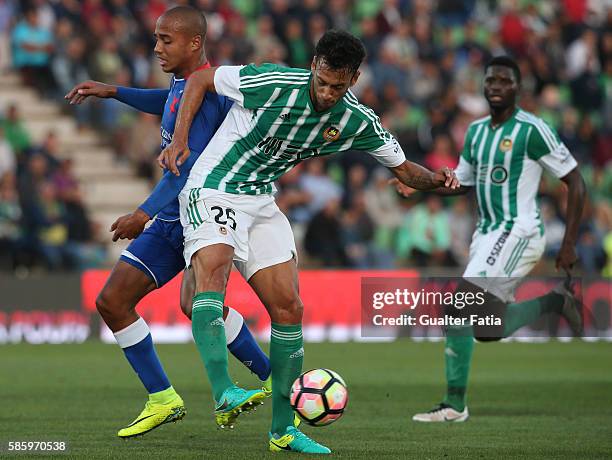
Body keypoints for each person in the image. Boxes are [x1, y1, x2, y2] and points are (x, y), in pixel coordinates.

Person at [159, 29, 459, 454]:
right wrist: (183, 140)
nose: (327, 93)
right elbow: (201, 81)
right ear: (313, 66)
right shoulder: (274, 81)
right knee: (215, 271)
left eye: (338, 86)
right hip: (213, 186)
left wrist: (445, 181)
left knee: (290, 307)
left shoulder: (356, 119)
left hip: (260, 200)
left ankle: (282, 430)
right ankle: (224, 391)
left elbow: (407, 171)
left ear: (353, 79)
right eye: (322, 81)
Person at [64, 6, 268, 439]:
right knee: (165, 305)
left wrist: (144, 213)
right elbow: (166, 100)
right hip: (177, 217)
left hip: (190, 217)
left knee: (126, 302)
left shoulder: (209, 92)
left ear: (195, 42)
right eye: (156, 38)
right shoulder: (182, 84)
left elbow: (188, 167)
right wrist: (114, 91)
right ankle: (263, 378)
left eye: (166, 40)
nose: (156, 47)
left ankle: (183, 394)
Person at [392, 56, 586, 423]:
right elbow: (462, 183)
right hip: (486, 235)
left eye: (504, 81)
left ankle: (453, 405)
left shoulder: (533, 129)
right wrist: (419, 185)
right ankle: (553, 303)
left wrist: (570, 241)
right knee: (487, 328)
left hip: (519, 230)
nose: (496, 86)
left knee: (458, 306)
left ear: (517, 87)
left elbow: (575, 180)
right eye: (490, 80)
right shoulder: (477, 131)